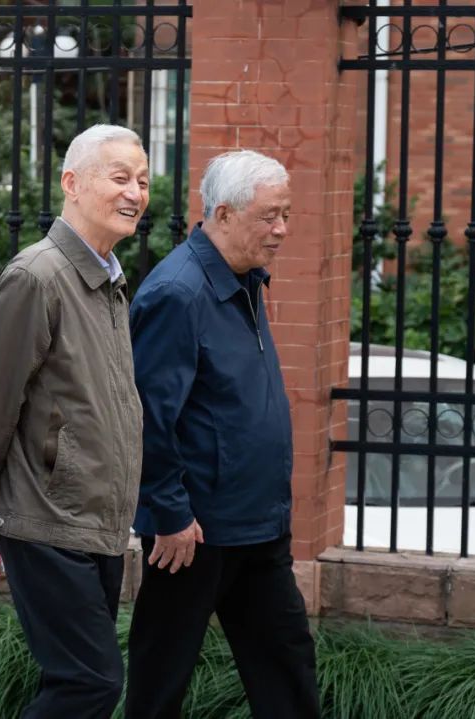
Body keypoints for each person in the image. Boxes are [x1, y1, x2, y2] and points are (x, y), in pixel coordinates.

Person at [0, 124, 149, 719]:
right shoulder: (37, 276)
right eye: (120, 178)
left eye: (142, 181)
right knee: (91, 682)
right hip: (46, 518)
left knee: (86, 682)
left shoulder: (108, 280)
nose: (135, 193)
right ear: (72, 183)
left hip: (94, 521)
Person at [124, 150, 320, 719]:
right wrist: (170, 513)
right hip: (194, 533)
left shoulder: (245, 279)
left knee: (287, 663)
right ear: (225, 214)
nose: (281, 229)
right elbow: (147, 415)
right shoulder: (178, 293)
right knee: (161, 678)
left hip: (257, 524)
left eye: (286, 215)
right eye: (269, 216)